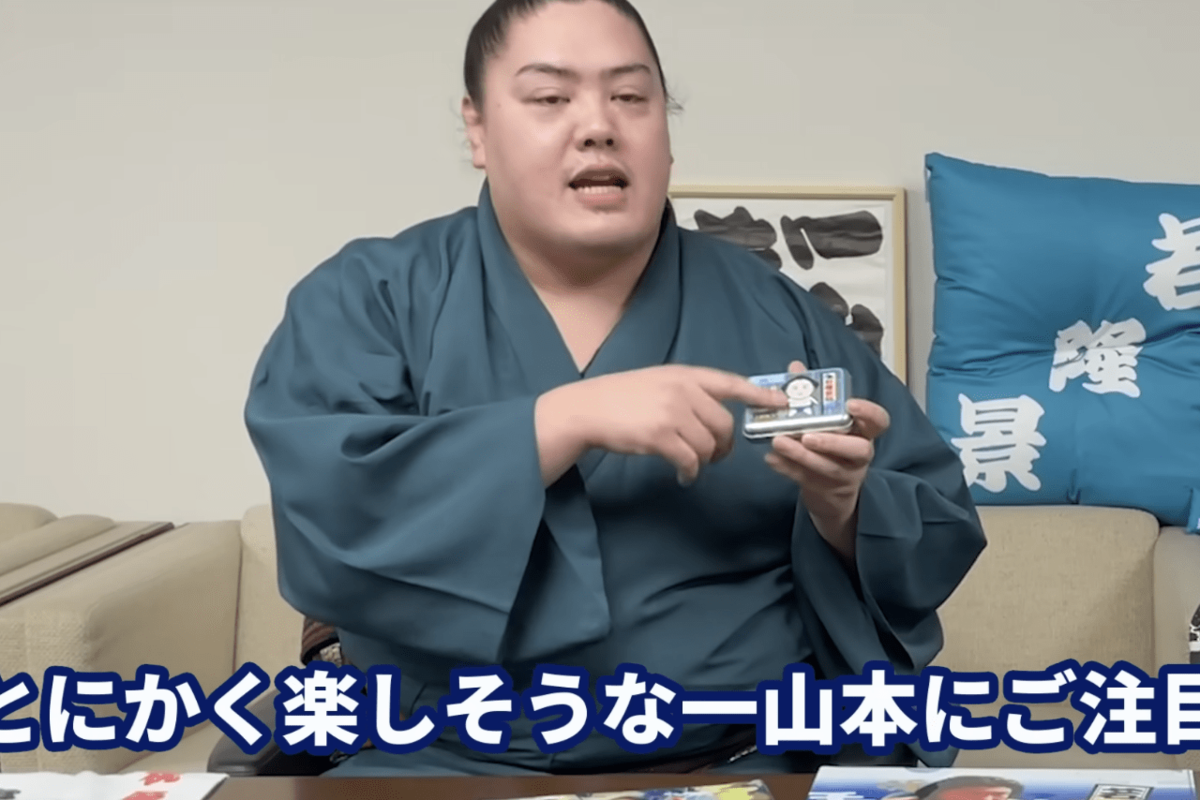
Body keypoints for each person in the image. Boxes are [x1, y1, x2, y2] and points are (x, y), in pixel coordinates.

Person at [244, 0, 986, 777]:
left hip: (740, 764)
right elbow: (329, 516)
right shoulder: (371, 297)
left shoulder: (774, 311)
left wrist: (845, 507)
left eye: (631, 96)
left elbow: (936, 517)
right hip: (441, 766)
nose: (599, 125)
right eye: (550, 97)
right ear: (477, 129)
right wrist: (556, 423)